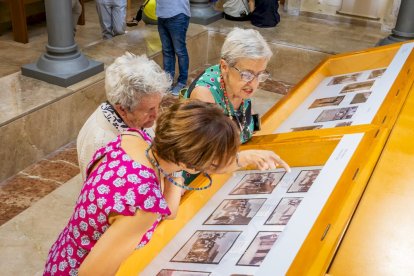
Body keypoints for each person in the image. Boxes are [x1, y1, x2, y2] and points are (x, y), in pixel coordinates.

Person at [43, 100, 241, 275]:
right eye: (210, 166)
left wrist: (179, 162)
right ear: (191, 164)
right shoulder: (144, 205)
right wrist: (184, 162)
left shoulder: (133, 139)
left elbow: (170, 211)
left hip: (64, 254)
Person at [183, 27, 289, 183]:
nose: (253, 83)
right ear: (224, 66)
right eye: (247, 74)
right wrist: (245, 157)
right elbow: (205, 160)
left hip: (231, 171)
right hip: (200, 179)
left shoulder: (239, 86)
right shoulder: (204, 95)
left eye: (260, 74)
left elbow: (249, 123)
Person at [76, 53, 172, 182]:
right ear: (122, 109)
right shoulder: (101, 143)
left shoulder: (135, 118)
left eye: (157, 105)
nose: (156, 115)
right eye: (149, 110)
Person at [156, 0, 191, 95]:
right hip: (162, 15)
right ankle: (168, 81)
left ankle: (182, 82)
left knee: (180, 51)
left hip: (178, 15)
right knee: (167, 51)